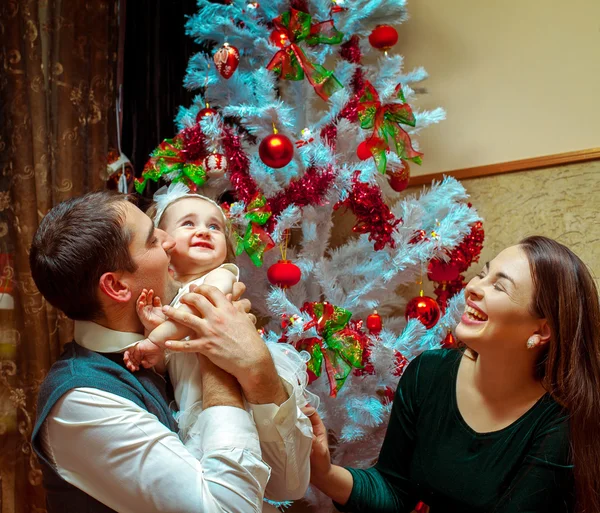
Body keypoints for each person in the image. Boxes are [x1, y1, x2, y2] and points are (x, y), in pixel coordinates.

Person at [27, 190, 303, 513]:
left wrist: (260, 374)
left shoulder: (158, 344)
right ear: (117, 287)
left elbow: (289, 483)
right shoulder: (82, 402)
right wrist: (212, 351)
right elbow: (232, 508)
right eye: (152, 241)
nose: (169, 240)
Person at [307, 236, 600, 513]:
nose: (473, 287)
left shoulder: (563, 421)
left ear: (540, 330)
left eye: (500, 286)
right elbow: (395, 489)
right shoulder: (429, 373)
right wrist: (324, 473)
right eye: (483, 274)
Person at [122, 183, 316, 505]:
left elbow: (193, 314)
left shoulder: (219, 277)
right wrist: (153, 334)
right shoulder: (172, 296)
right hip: (194, 398)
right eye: (189, 223)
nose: (204, 231)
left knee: (245, 454)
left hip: (236, 395)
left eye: (215, 226)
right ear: (163, 241)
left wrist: (155, 339)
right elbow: (166, 366)